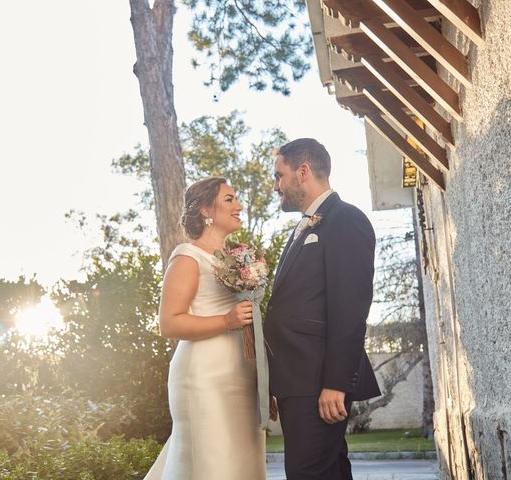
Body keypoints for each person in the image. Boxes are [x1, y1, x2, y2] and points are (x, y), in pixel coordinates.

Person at [264, 138, 381, 479]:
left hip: (318, 383)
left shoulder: (345, 220)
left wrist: (336, 382)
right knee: (327, 472)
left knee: (308, 473)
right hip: (297, 380)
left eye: (279, 176)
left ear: (303, 172)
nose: (276, 186)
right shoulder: (304, 226)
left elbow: (350, 307)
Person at [144, 176, 266, 480]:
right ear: (206, 212)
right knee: (212, 464)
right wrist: (226, 321)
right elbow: (169, 322)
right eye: (229, 199)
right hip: (204, 379)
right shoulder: (188, 258)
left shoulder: (236, 262)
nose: (239, 206)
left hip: (242, 375)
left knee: (242, 466)